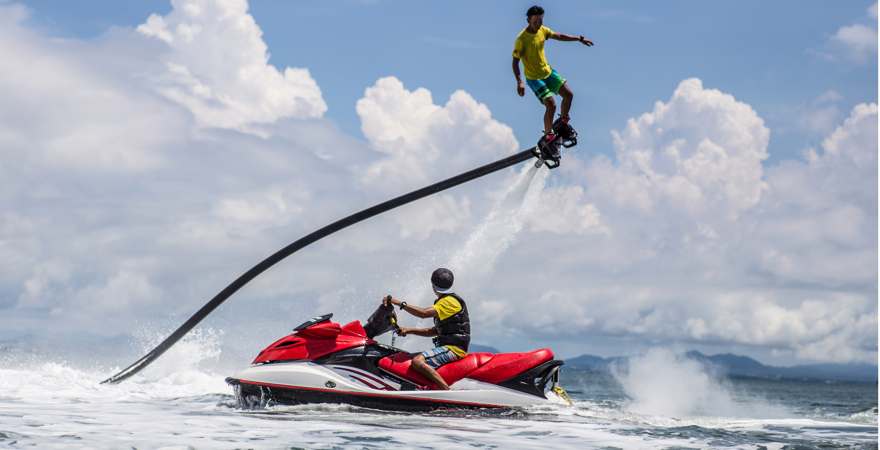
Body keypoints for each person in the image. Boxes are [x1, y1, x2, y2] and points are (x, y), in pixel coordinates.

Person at [512, 5, 593, 147]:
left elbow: (559, 36)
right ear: (529, 20)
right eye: (536, 21)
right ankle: (548, 136)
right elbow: (515, 62)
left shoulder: (543, 31)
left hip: (548, 73)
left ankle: (562, 122)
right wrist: (519, 82)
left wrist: (578, 39)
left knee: (569, 95)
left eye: (541, 20)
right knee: (551, 104)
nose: (539, 24)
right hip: (534, 79)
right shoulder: (521, 39)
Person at [385, 268, 469, 390]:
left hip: (454, 349)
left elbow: (423, 313)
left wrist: (398, 303)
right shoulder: (444, 302)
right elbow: (434, 331)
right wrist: (408, 330)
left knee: (417, 362)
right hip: (447, 348)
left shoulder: (449, 302)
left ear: (433, 286)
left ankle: (447, 392)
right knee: (404, 358)